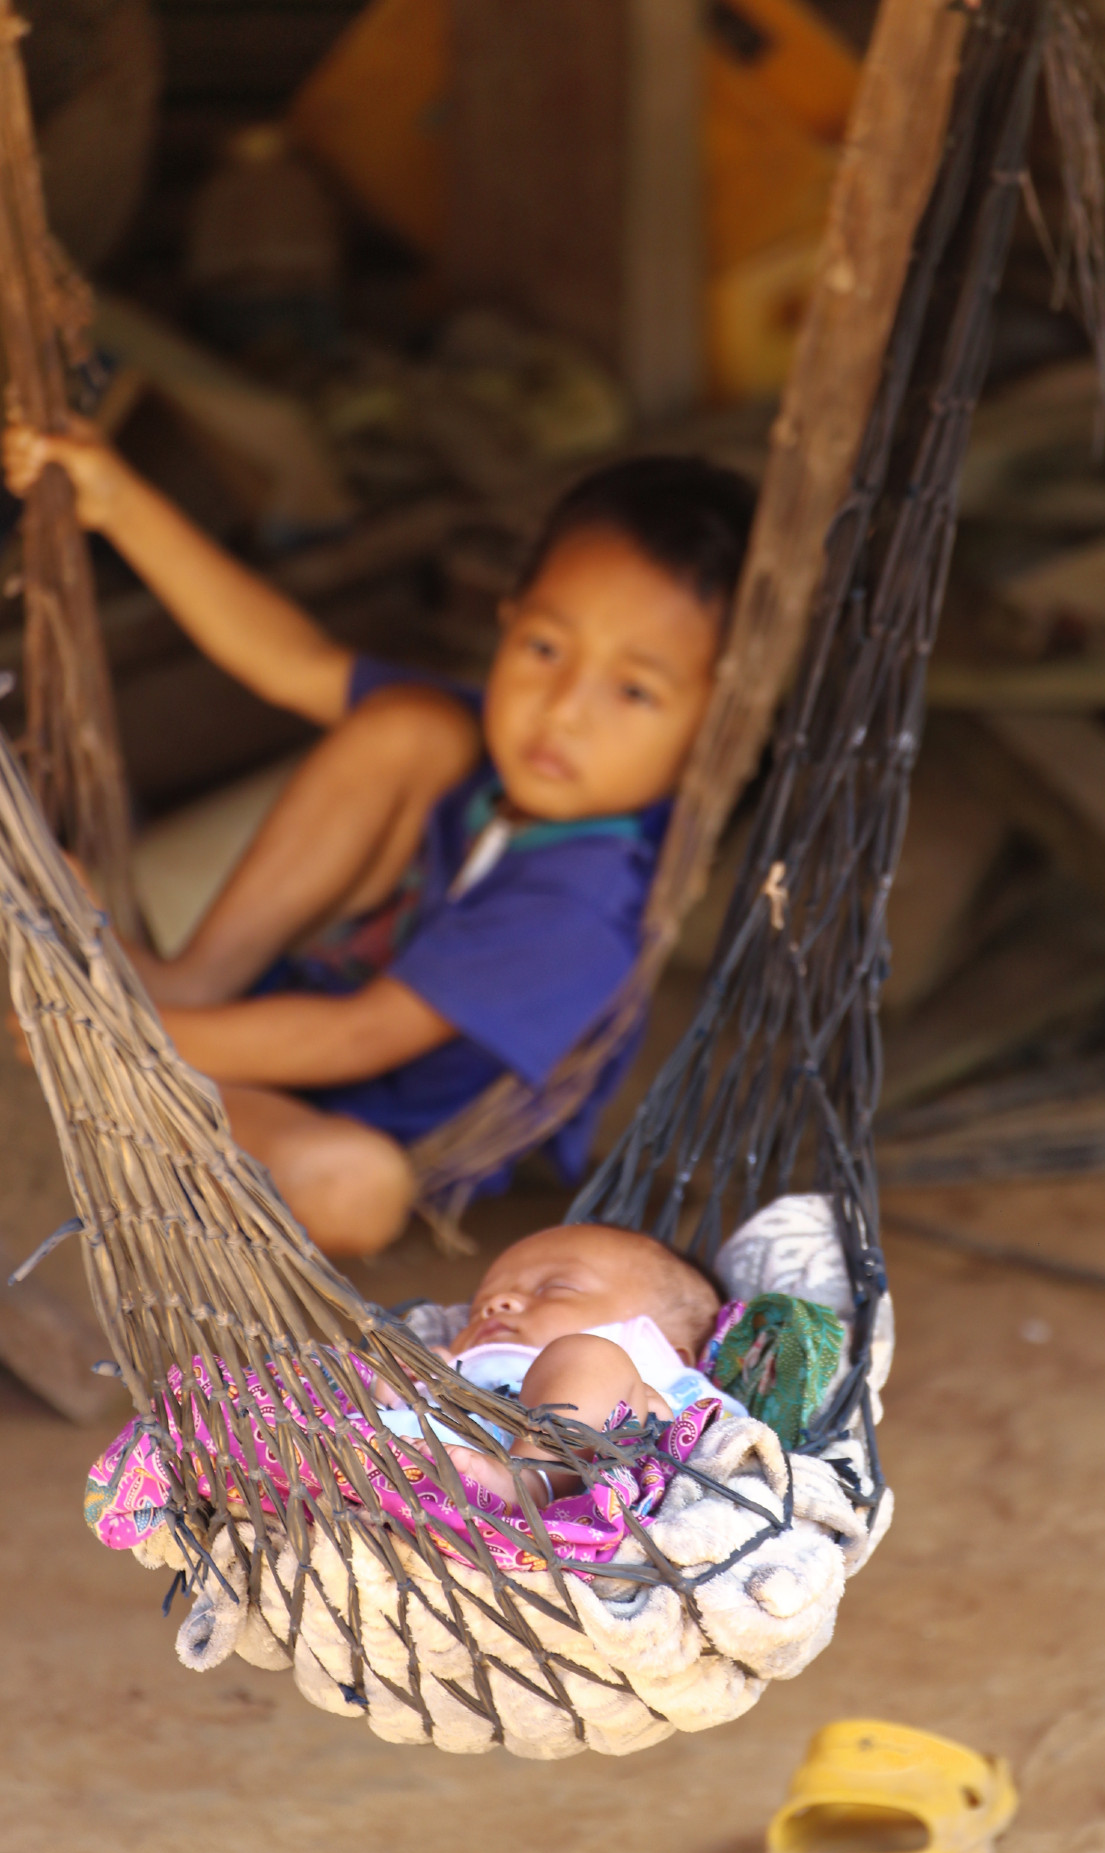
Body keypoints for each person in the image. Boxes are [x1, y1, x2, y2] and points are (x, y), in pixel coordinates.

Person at [1, 422, 756, 1256]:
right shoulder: (474, 742)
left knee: (352, 1187)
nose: (564, 709)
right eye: (544, 648)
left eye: (634, 691)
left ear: (716, 733)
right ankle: (182, 991)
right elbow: (289, 661)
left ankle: (132, 1058)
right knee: (409, 725)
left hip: (339, 1120)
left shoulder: (586, 904)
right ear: (506, 620)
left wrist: (110, 1032)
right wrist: (119, 502)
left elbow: (357, 1038)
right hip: (235, 1027)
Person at [374, 1220, 745, 1507]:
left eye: (555, 1289)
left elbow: (717, 1441)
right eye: (480, 1305)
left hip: (573, 1499)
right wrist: (407, 1377)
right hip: (396, 1471)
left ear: (661, 1349)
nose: (497, 1303)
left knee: (590, 1356)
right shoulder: (452, 1363)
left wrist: (657, 1416)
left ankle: (533, 1480)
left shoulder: (660, 1376)